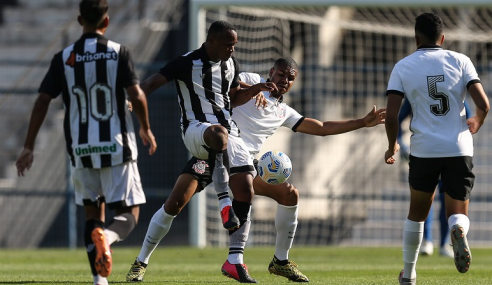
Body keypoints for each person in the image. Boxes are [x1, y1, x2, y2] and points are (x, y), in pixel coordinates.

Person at [126, 57, 386, 283]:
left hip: (245, 165)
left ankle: (279, 261)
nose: (284, 80)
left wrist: (362, 123)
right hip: (215, 151)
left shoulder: (283, 111)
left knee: (289, 194)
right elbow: (227, 89)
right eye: (281, 74)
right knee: (174, 204)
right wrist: (254, 89)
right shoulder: (250, 78)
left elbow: (320, 127)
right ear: (271, 71)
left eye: (290, 78)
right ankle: (141, 262)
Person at [15, 1, 157, 285]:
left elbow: (43, 99)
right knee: (129, 214)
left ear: (80, 20)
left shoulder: (64, 57)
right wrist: (146, 127)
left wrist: (28, 146)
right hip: (116, 145)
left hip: (81, 149)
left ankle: (98, 280)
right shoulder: (118, 52)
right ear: (106, 22)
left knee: (93, 212)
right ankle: (108, 236)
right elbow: (137, 95)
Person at [125, 20, 277, 283]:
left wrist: (256, 90)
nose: (232, 49)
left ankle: (235, 261)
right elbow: (151, 83)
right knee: (217, 137)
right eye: (228, 43)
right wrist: (132, 100)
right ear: (211, 40)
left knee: (245, 189)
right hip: (196, 130)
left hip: (230, 137)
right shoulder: (186, 63)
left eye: (235, 44)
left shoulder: (231, 64)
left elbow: (233, 97)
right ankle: (142, 260)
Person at [384, 12, 489, 285]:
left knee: (417, 213)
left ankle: (409, 274)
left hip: (424, 150)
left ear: (416, 37)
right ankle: (457, 229)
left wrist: (391, 144)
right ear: (443, 38)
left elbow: (393, 115)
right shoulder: (461, 60)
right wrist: (477, 120)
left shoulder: (403, 67)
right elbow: (484, 104)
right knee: (458, 212)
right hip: (458, 147)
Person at [398, 99, 471, 258]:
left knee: (424, 200)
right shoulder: (453, 87)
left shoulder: (415, 86)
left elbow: (397, 119)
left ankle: (428, 243)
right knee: (448, 200)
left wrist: (398, 144)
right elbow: (471, 115)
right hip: (452, 152)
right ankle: (444, 243)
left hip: (425, 152)